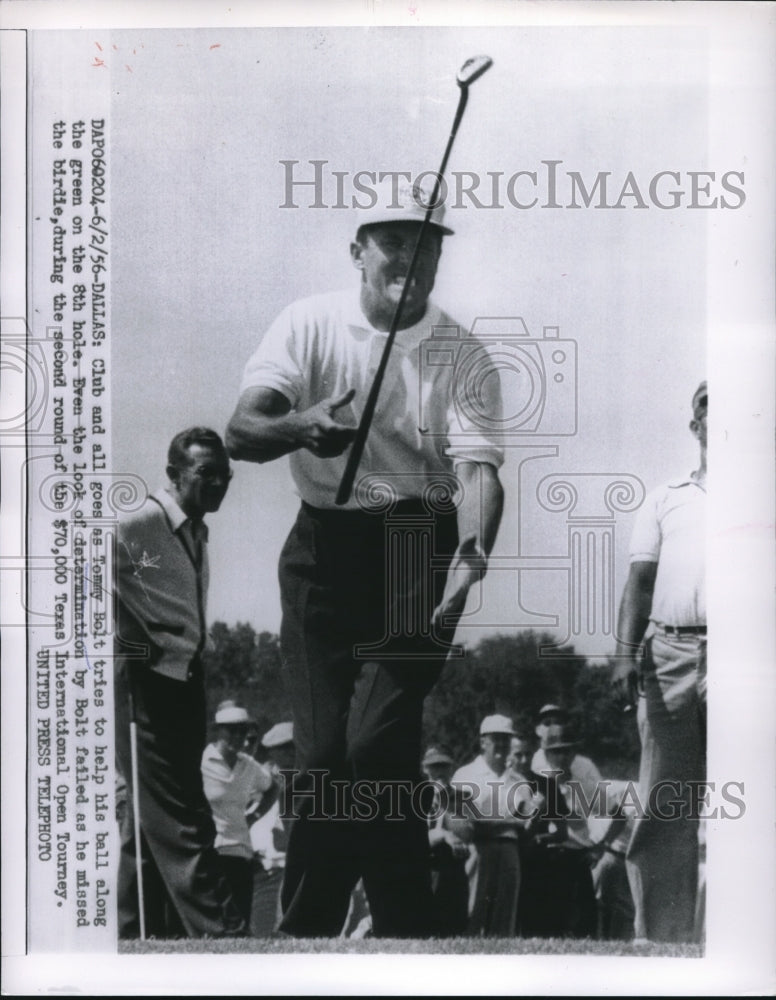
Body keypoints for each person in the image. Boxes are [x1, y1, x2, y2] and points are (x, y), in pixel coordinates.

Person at [226, 178, 505, 938]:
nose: (410, 259)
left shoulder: (464, 353)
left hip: (419, 547)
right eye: (393, 242)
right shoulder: (306, 323)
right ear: (357, 251)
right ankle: (328, 932)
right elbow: (242, 431)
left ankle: (396, 927)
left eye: (427, 245)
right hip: (322, 547)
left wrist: (472, 553)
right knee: (321, 761)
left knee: (374, 743)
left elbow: (479, 474)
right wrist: (302, 425)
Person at [113, 427, 245, 938]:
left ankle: (127, 934)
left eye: (224, 476)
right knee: (183, 819)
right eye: (204, 474)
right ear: (174, 475)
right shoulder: (141, 519)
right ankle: (225, 936)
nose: (217, 485)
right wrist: (125, 628)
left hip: (185, 680)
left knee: (147, 823)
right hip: (145, 679)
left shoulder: (197, 528)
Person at [613, 380, 707, 943]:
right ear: (694, 425)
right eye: (704, 408)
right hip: (668, 652)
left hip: (747, 654)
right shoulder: (665, 495)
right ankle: (662, 940)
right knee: (666, 801)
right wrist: (625, 654)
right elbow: (640, 580)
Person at [451, 715, 533, 937]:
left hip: (509, 850)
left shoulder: (519, 781)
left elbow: (527, 824)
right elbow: (464, 822)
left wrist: (520, 821)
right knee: (472, 912)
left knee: (504, 918)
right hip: (477, 850)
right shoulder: (465, 775)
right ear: (483, 742)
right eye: (496, 739)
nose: (502, 745)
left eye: (506, 740)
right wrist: (509, 822)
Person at [201, 702, 276, 930]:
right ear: (217, 731)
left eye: (242, 731)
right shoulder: (201, 762)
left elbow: (271, 787)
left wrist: (255, 815)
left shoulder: (249, 765)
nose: (238, 737)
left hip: (241, 851)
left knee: (242, 922)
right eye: (231, 730)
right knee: (218, 924)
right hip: (211, 852)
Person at [420, 746, 471, 937]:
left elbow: (467, 832)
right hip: (426, 868)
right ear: (425, 769)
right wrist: (442, 834)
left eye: (444, 766)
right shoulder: (414, 799)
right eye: (434, 766)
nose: (439, 771)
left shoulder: (462, 797)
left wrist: (444, 807)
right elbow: (412, 839)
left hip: (453, 868)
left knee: (454, 929)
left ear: (452, 768)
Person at [250, 721, 295, 936]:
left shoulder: (308, 778)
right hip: (263, 864)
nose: (291, 753)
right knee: (263, 931)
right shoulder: (260, 777)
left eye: (294, 747)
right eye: (285, 748)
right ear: (273, 751)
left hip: (291, 864)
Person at [531, 703, 603, 794]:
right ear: (537, 730)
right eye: (547, 723)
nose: (553, 727)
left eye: (558, 722)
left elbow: (603, 797)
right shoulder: (531, 764)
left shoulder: (585, 765)